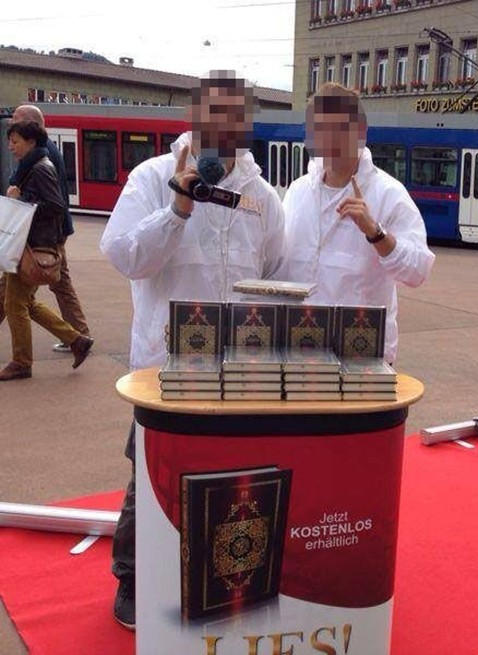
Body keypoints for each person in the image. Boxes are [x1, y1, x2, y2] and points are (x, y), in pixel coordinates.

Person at [99, 71, 286, 630]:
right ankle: (132, 579)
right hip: (165, 368)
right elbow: (124, 255)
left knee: (234, 478)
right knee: (152, 476)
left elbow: (276, 271)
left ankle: (223, 574)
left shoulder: (262, 196)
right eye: (213, 114)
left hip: (238, 372)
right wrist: (178, 208)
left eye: (234, 116)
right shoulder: (154, 176)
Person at [275, 82, 434, 364]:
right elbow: (279, 266)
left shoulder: (388, 193)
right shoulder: (299, 192)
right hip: (299, 353)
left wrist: (376, 233)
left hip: (362, 358)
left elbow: (418, 271)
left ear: (360, 131)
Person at [0, 120, 93, 381]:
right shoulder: (33, 166)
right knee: (21, 301)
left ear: (31, 141)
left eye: (15, 141)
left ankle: (21, 362)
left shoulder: (40, 168)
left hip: (31, 246)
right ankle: (76, 340)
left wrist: (22, 200)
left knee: (15, 303)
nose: (11, 147)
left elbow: (55, 205)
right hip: (25, 244)